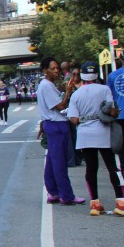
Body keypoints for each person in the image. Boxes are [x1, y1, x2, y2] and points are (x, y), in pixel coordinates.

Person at [69, 62, 124, 216]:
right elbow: (112, 111)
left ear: (82, 75)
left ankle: (95, 204)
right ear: (96, 74)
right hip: (104, 133)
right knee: (113, 167)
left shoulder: (76, 94)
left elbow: (74, 119)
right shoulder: (104, 89)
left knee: (91, 168)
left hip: (85, 135)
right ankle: (121, 202)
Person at [37, 56, 85, 206]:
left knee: (52, 161)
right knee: (60, 162)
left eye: (57, 68)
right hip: (56, 124)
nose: (56, 71)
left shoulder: (48, 85)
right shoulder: (46, 86)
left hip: (53, 124)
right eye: (53, 69)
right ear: (45, 70)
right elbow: (60, 106)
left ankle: (53, 192)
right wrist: (68, 92)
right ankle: (67, 195)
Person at [107, 48, 124, 177]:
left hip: (119, 115)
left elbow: (109, 96)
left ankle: (121, 178)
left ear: (120, 60)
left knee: (120, 149)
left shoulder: (112, 76)